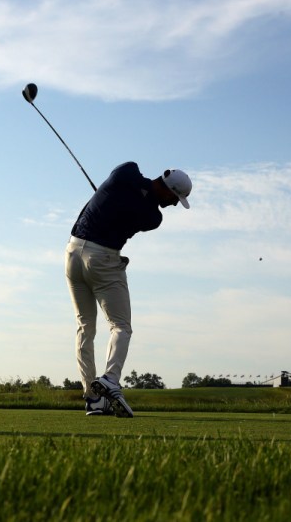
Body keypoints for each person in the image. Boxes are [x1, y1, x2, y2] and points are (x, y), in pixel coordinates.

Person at [65, 163, 192, 417]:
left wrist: (109, 195)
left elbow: (127, 175)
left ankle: (92, 398)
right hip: (103, 260)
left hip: (72, 253)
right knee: (121, 326)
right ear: (168, 190)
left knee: (85, 328)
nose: (174, 204)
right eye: (175, 198)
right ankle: (110, 379)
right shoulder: (154, 218)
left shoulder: (126, 174)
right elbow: (140, 201)